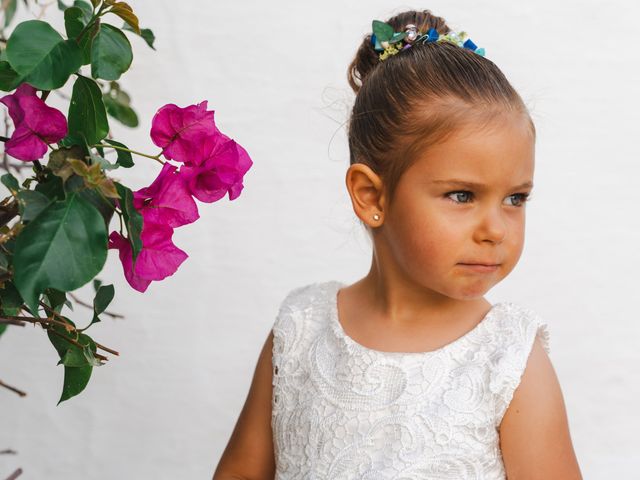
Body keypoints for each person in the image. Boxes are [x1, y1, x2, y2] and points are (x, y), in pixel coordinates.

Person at [213, 8, 583, 480]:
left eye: (516, 198)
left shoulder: (508, 360)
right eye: (462, 195)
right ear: (372, 196)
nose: (496, 228)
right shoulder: (300, 331)